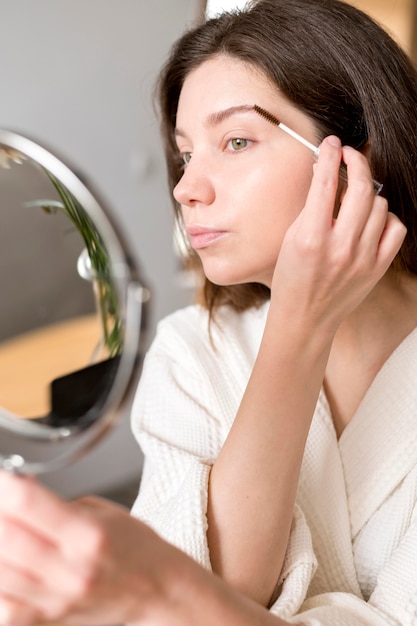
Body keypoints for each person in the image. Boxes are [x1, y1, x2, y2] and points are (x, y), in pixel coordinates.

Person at [0, 0, 416, 624]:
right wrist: (299, 326)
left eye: (237, 140)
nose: (186, 186)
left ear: (360, 157)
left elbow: (178, 598)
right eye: (187, 153)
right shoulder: (192, 350)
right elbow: (215, 587)